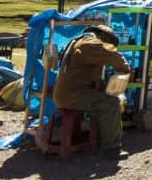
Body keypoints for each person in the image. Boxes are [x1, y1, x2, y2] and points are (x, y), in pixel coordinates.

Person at [52, 24, 131, 159]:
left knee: (103, 99)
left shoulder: (78, 42)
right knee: (111, 103)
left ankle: (101, 139)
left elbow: (91, 75)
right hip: (73, 95)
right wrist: (125, 70)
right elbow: (112, 54)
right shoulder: (90, 43)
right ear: (103, 37)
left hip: (68, 93)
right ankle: (111, 148)